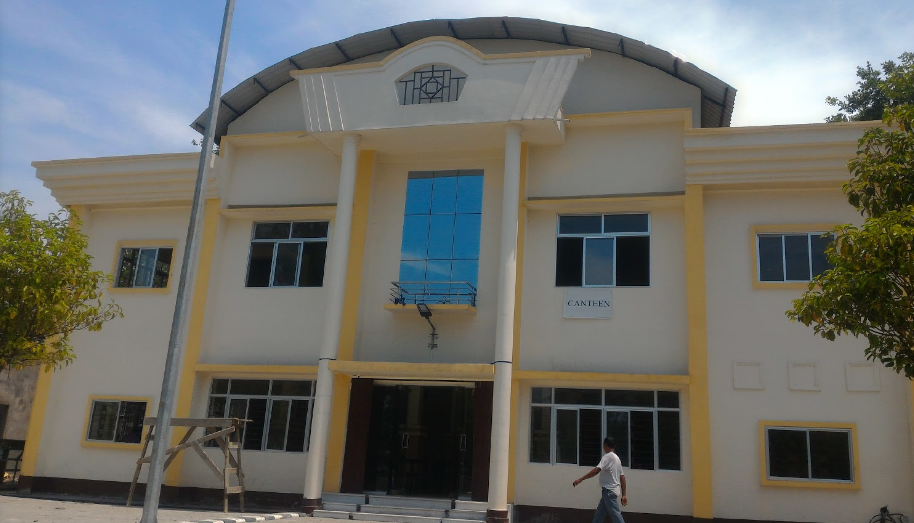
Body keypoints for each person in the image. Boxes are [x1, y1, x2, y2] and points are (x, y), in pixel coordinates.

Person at [572, 437, 627, 523]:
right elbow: (622, 477)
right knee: (599, 515)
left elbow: (597, 470)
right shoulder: (617, 459)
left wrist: (581, 479)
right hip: (610, 492)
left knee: (616, 516)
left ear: (605, 445)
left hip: (609, 491)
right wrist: (624, 495)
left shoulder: (608, 456)